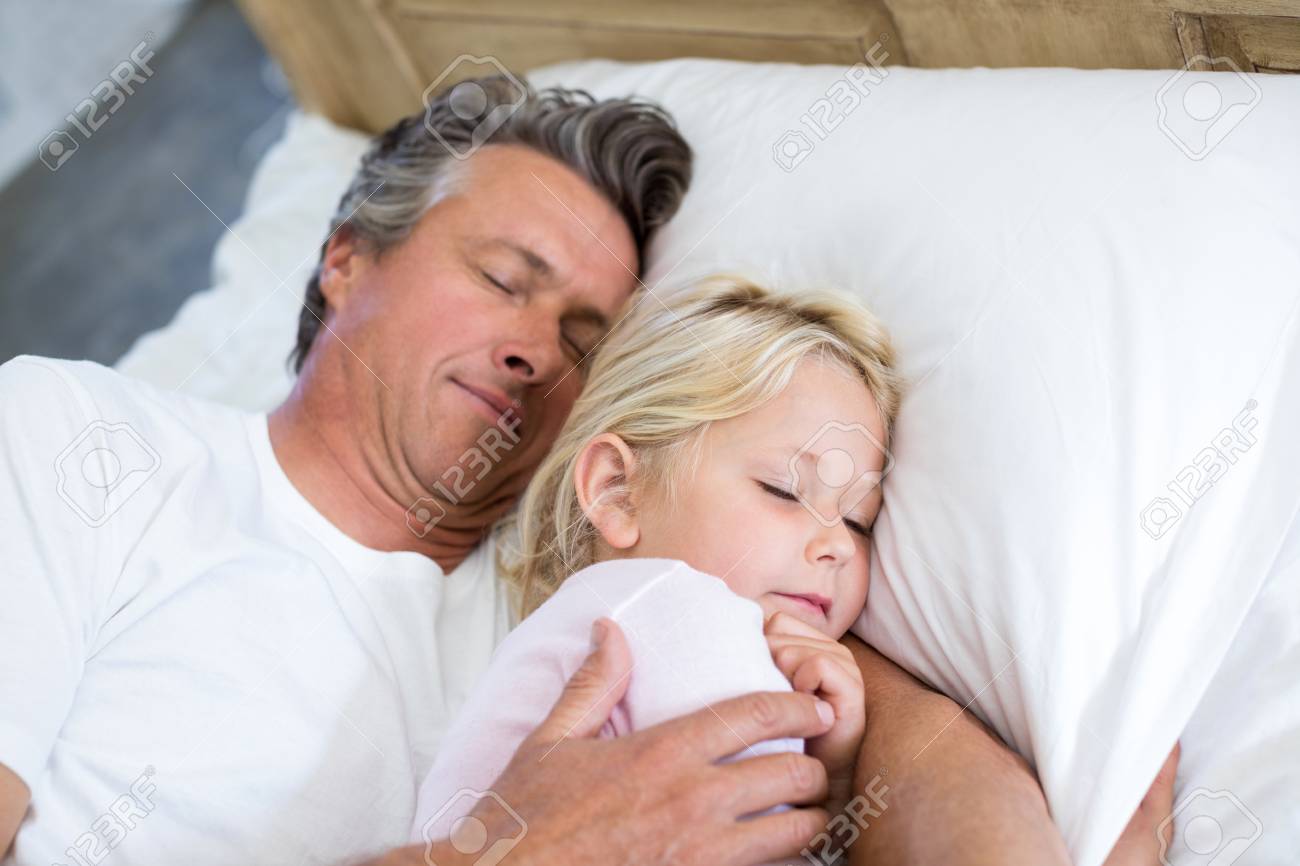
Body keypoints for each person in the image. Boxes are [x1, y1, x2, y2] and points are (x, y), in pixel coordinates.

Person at [0, 76, 1173, 866]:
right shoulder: (77, 440)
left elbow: (938, 771)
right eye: (506, 277)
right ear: (345, 262)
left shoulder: (632, 566)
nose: (532, 347)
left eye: (582, 338)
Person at [411, 276, 902, 850]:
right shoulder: (682, 607)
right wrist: (831, 797)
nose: (838, 546)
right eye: (784, 489)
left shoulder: (585, 622)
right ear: (617, 489)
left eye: (859, 522)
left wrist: (829, 773)